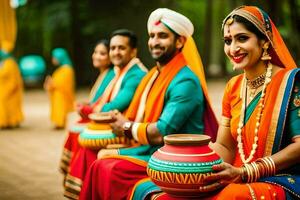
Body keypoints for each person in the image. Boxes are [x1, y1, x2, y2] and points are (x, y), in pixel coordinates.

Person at [153, 5, 300, 200]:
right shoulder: (234, 86)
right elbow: (225, 147)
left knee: (230, 197)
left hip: (280, 179)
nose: (233, 48)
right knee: (167, 195)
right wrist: (189, 165)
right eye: (228, 41)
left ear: (264, 41)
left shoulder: (290, 83)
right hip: (237, 174)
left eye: (242, 38)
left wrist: (247, 172)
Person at [79, 8, 218, 200]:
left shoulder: (185, 81)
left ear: (179, 42)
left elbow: (160, 132)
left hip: (176, 158)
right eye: (152, 36)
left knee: (105, 166)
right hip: (153, 149)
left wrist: (126, 126)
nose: (154, 42)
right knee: (99, 157)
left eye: (162, 36)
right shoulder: (154, 75)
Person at [64, 29, 148, 199]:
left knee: (86, 148)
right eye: (113, 48)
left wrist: (89, 110)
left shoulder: (136, 74)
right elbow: (102, 102)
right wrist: (89, 108)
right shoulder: (120, 72)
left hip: (130, 134)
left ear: (133, 51)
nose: (115, 52)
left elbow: (114, 106)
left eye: (121, 48)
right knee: (81, 141)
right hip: (120, 128)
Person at [59, 39, 115, 176]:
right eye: (95, 52)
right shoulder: (103, 74)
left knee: (76, 130)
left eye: (102, 53)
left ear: (110, 57)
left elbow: (106, 104)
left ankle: (79, 175)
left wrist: (86, 108)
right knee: (74, 126)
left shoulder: (111, 75)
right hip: (91, 113)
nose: (96, 56)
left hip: (104, 119)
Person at [44, 48, 75, 129]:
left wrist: (51, 82)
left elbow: (61, 83)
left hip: (62, 96)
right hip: (58, 95)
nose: (53, 59)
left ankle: (61, 123)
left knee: (61, 109)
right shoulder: (61, 69)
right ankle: (59, 123)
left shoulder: (67, 69)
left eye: (54, 57)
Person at [0, 42, 23, 129]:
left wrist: (11, 89)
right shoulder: (4, 63)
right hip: (3, 89)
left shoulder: (11, 63)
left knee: (8, 107)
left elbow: (14, 79)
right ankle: (4, 122)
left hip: (8, 89)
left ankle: (7, 123)